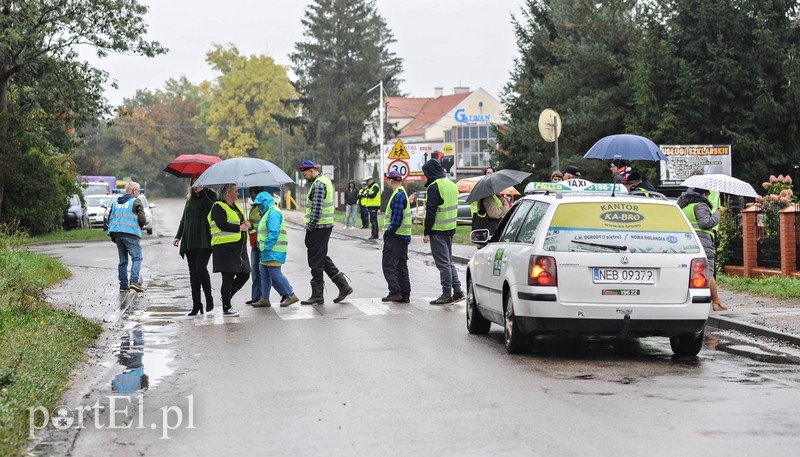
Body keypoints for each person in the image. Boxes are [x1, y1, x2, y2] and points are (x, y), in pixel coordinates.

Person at [298, 160, 353, 305]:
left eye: (305, 174)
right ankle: (343, 286)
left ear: (311, 171)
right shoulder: (325, 181)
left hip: (318, 228)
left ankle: (317, 295)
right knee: (321, 257)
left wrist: (310, 226)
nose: (304, 177)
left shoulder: (318, 185)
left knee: (315, 261)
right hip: (324, 227)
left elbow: (316, 209)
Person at [421, 159, 465, 305]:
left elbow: (431, 211)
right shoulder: (452, 185)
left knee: (443, 264)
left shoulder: (434, 186)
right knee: (448, 262)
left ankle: (447, 295)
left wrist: (426, 232)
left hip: (438, 230)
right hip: (450, 228)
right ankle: (458, 291)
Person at [677, 187, 727, 311]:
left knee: (691, 273)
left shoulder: (683, 207)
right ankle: (716, 303)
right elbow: (705, 223)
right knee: (708, 272)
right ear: (704, 195)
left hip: (686, 242)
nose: (708, 198)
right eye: (708, 196)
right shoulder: (700, 205)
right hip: (702, 242)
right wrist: (718, 213)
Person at [172, 178, 217, 315]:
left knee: (200, 268)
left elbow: (212, 210)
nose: (195, 186)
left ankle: (209, 299)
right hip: (190, 240)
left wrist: (203, 192)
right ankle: (196, 304)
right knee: (193, 273)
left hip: (204, 240)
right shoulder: (189, 199)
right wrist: (178, 236)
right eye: (193, 183)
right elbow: (184, 218)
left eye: (198, 183)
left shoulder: (210, 196)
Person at [208, 183, 251, 316]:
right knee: (227, 277)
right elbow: (221, 225)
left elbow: (240, 222)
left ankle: (227, 296)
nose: (238, 194)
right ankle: (226, 307)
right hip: (224, 248)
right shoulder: (218, 206)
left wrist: (246, 223)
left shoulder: (236, 207)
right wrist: (239, 228)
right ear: (228, 193)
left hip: (239, 248)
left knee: (245, 274)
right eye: (236, 192)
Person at [252, 191, 299, 307]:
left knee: (275, 273)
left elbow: (274, 232)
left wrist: (267, 247)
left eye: (259, 205)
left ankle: (290, 295)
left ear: (265, 202)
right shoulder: (268, 212)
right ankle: (265, 298)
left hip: (273, 250)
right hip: (267, 250)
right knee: (264, 273)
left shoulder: (273, 212)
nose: (258, 207)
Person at [108, 181, 147, 293]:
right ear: (133, 191)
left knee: (123, 261)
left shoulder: (116, 203)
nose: (139, 193)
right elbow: (142, 219)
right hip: (130, 234)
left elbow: (110, 217)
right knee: (137, 257)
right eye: (138, 191)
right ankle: (134, 282)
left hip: (117, 235)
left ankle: (124, 284)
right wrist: (139, 226)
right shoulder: (136, 201)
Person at [381, 171, 412, 303]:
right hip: (403, 236)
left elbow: (396, 218)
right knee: (401, 266)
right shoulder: (402, 192)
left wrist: (389, 232)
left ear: (391, 181)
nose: (387, 182)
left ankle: (395, 292)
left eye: (388, 180)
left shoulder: (398, 195)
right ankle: (405, 295)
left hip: (395, 236)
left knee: (388, 265)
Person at [246, 187, 264, 306]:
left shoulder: (263, 207)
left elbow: (262, 225)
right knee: (255, 271)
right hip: (254, 242)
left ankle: (286, 293)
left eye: (253, 195)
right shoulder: (253, 206)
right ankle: (256, 297)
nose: (251, 198)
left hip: (261, 243)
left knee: (265, 271)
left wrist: (251, 227)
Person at [362, 175, 382, 240]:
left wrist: (367, 195)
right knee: (372, 220)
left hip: (374, 206)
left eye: (367, 182)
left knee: (373, 221)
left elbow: (372, 195)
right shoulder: (370, 187)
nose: (367, 184)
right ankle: (374, 234)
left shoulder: (375, 186)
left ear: (370, 181)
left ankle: (375, 235)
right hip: (371, 206)